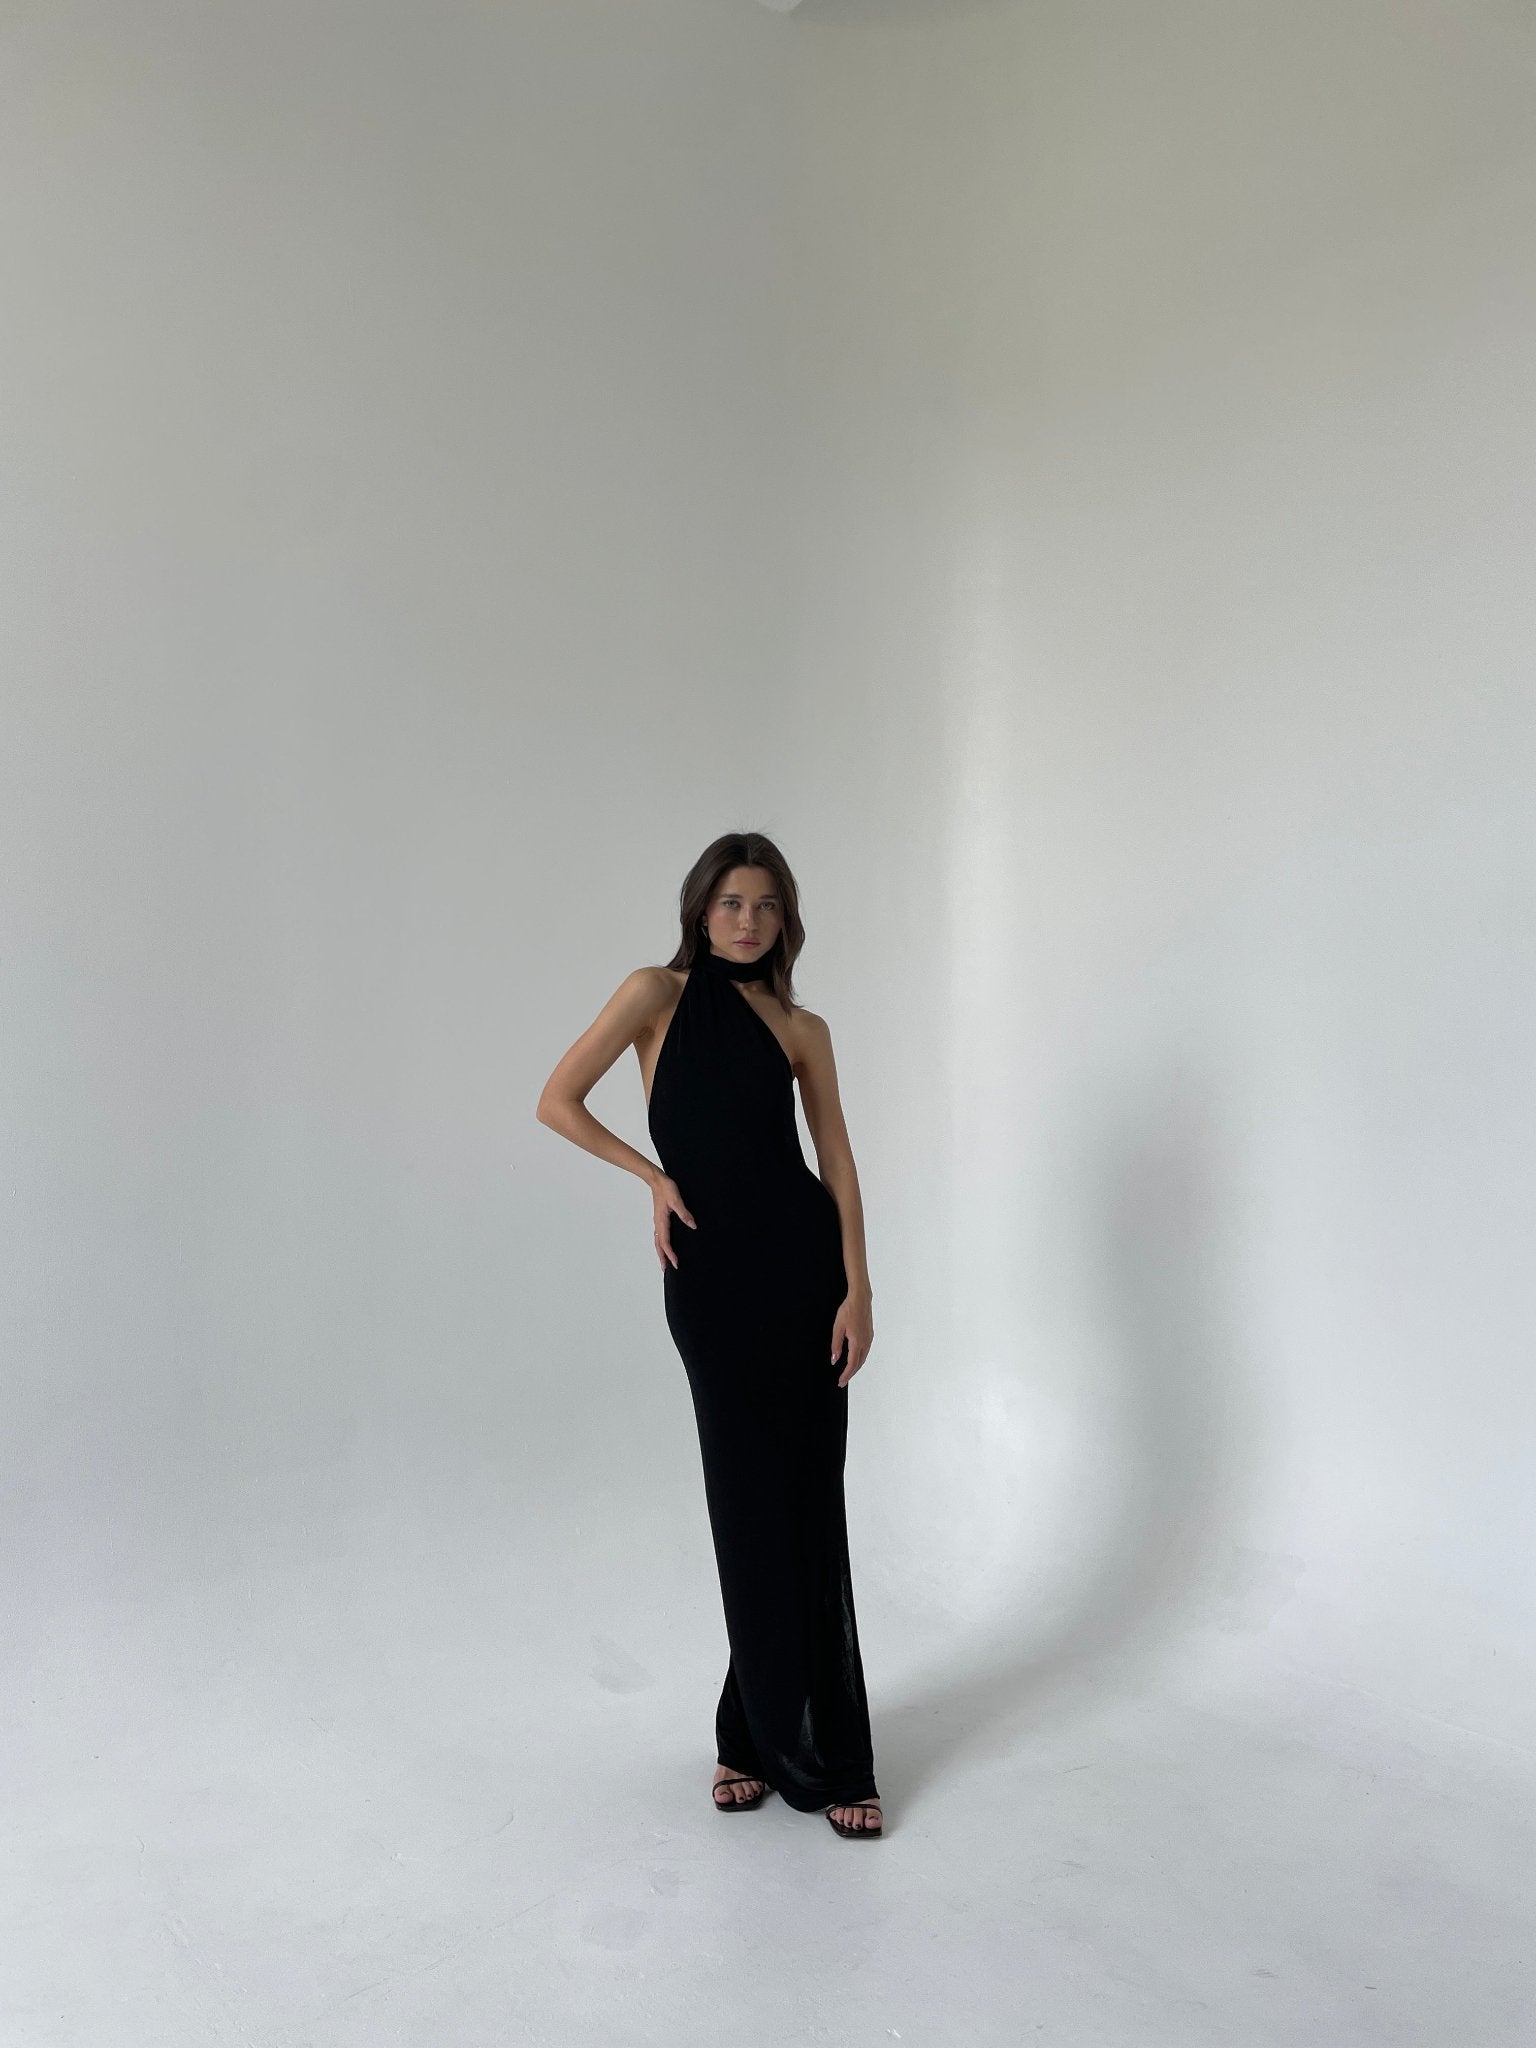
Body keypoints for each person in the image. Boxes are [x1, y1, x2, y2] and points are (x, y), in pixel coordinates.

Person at [536, 832, 883, 1839]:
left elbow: (842, 1165)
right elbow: (558, 1099)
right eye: (731, 900)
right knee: (746, 1502)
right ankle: (765, 1729)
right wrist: (652, 1176)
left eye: (766, 904)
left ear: (786, 921)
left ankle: (790, 1741)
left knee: (808, 1501)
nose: (746, 918)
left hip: (805, 1272)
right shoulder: (655, 993)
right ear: (700, 907)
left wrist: (858, 1288)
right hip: (713, 1280)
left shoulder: (803, 1025)